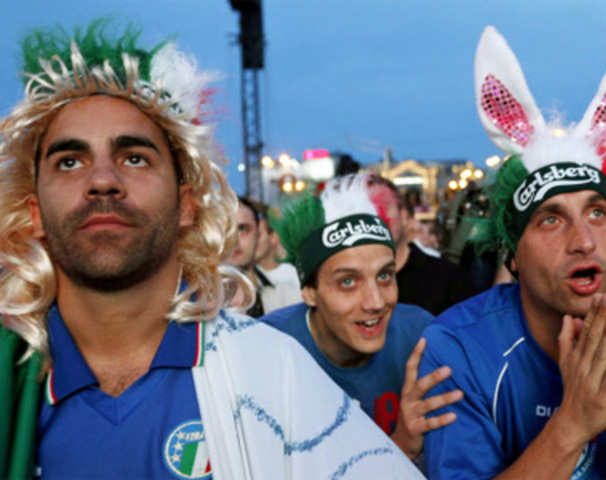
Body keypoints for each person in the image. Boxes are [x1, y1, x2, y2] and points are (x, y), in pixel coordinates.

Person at [0, 20, 425, 479]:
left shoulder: (271, 369)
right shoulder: (11, 379)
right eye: (69, 161)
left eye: (134, 157)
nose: (102, 180)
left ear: (187, 203)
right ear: (35, 212)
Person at [419, 26, 606, 479]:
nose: (583, 240)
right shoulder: (457, 348)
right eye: (551, 219)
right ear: (512, 256)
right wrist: (573, 424)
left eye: (597, 214)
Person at [262, 173, 463, 470]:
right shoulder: (269, 350)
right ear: (309, 292)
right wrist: (402, 446)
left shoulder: (420, 336)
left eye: (384, 276)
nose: (376, 302)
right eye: (347, 282)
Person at [368, 175, 476, 315]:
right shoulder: (348, 288)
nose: (374, 218)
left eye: (381, 207)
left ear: (405, 215)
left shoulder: (448, 279)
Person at [227, 197, 301, 316]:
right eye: (224, 230)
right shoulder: (193, 303)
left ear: (258, 234)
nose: (234, 240)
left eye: (242, 229)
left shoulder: (289, 298)